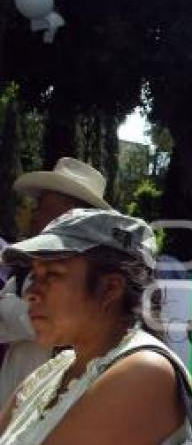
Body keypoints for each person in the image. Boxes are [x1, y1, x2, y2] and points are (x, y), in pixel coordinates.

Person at [0, 208, 192, 445]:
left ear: (110, 288)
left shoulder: (145, 372)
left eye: (53, 274)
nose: (32, 291)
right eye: (32, 274)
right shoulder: (54, 371)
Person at [0, 157, 113, 407]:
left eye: (42, 205)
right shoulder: (23, 272)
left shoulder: (96, 276)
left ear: (69, 211)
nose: (34, 214)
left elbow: (46, 322)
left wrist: (8, 307)